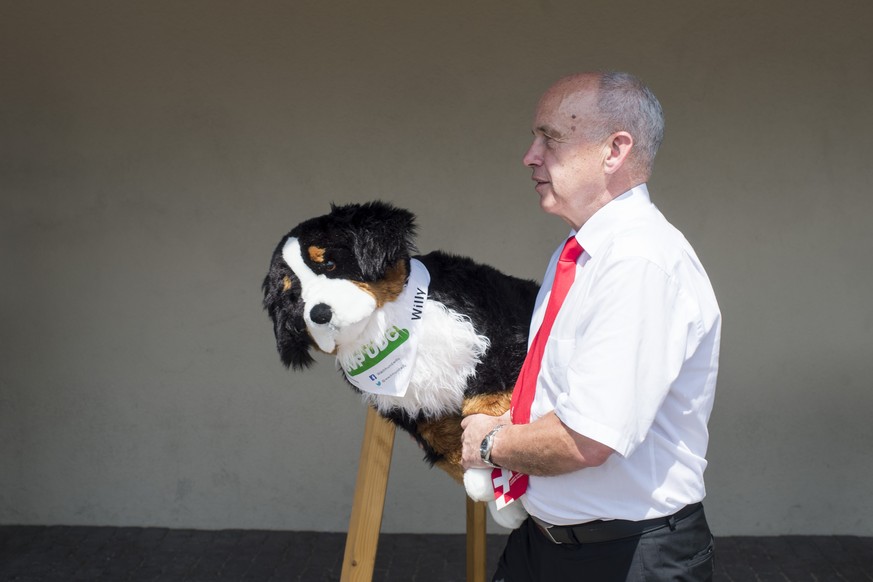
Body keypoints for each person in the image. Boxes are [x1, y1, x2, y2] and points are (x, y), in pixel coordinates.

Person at [461, 71, 721, 581]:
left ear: (614, 151)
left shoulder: (638, 262)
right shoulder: (582, 251)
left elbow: (585, 440)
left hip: (625, 558)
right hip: (548, 544)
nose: (530, 155)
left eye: (550, 138)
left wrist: (490, 444)